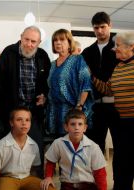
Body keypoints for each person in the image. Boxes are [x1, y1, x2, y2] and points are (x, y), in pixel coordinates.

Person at [0, 26, 50, 165]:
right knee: (9, 149)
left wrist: (45, 96)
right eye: (26, 39)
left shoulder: (43, 56)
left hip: (33, 112)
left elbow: (48, 83)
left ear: (39, 42)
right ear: (21, 37)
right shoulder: (9, 52)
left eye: (33, 41)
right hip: (11, 111)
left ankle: (34, 179)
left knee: (35, 149)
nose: (29, 44)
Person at [92, 32, 134, 190]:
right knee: (123, 164)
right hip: (122, 122)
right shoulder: (118, 67)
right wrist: (90, 76)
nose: (114, 49)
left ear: (131, 47)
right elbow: (108, 90)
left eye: (118, 45)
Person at [0, 106, 55, 190]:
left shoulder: (33, 145)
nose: (24, 123)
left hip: (27, 178)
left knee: (49, 188)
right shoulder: (1, 145)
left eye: (27, 120)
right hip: (7, 178)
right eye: (19, 120)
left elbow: (34, 170)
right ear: (11, 122)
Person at [41, 109, 107, 190]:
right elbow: (50, 162)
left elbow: (100, 173)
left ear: (85, 128)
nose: (76, 127)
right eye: (72, 124)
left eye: (80, 124)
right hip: (67, 186)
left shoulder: (93, 147)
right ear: (66, 127)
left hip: (88, 186)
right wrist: (48, 177)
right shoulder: (58, 143)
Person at [81, 12, 118, 153]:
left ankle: (118, 176)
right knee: (94, 147)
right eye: (96, 28)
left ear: (110, 25)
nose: (100, 31)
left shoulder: (119, 49)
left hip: (117, 106)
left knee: (120, 146)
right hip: (95, 107)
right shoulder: (87, 52)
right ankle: (95, 175)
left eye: (103, 27)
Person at [47, 28, 93, 137]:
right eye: (55, 40)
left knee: (72, 147)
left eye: (62, 40)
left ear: (69, 43)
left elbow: (86, 85)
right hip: (54, 112)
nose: (58, 42)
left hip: (72, 111)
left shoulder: (78, 60)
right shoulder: (52, 64)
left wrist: (79, 106)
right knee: (57, 146)